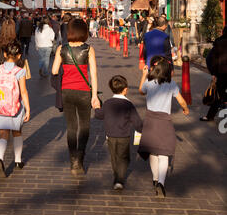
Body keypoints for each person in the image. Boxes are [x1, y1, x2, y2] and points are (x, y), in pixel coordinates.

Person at [52, 18, 100, 175]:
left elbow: (53, 71)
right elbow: (93, 74)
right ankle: (80, 156)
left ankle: (73, 160)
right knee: (85, 126)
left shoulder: (61, 49)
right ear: (84, 32)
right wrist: (95, 96)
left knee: (71, 127)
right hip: (84, 92)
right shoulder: (88, 49)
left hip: (67, 91)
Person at [138, 56, 189, 198]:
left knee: (153, 152)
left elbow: (141, 91)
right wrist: (185, 109)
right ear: (168, 70)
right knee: (164, 153)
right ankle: (161, 182)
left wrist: (143, 74)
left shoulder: (149, 82)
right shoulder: (171, 84)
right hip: (164, 121)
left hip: (150, 120)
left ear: (153, 69)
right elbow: (181, 100)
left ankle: (155, 180)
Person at [0, 41, 31, 178]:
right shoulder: (20, 71)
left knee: (3, 134)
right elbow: (23, 92)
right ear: (19, 56)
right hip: (15, 106)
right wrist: (28, 109)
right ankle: (18, 161)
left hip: (0, 106)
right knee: (17, 132)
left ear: (5, 54)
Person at [95, 75, 142, 190]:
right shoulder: (128, 104)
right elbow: (137, 122)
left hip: (110, 135)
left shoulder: (108, 102)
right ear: (125, 89)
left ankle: (116, 174)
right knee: (124, 157)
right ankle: (119, 179)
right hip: (124, 136)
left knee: (114, 156)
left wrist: (97, 107)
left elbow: (99, 115)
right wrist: (142, 130)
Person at [200, 26, 227, 121]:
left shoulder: (219, 43)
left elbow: (210, 59)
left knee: (218, 96)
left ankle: (210, 116)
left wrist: (213, 73)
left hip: (222, 74)